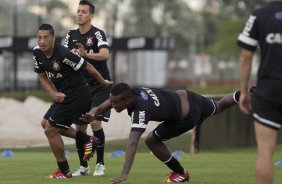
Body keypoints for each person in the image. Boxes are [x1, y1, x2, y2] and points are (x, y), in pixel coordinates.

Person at [82, 82, 242, 183]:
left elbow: (132, 141)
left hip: (185, 118)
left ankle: (180, 173)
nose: (114, 105)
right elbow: (103, 106)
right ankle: (243, 94)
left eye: (117, 103)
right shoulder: (131, 91)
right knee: (219, 106)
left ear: (128, 101)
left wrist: (124, 173)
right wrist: (93, 114)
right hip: (189, 97)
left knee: (151, 140)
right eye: (113, 101)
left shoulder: (141, 109)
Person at [33, 23, 111, 179]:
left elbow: (88, 66)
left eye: (46, 37)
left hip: (78, 95)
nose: (42, 41)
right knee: (45, 123)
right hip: (63, 95)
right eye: (39, 37)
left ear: (53, 38)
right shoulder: (37, 53)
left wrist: (102, 82)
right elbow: (42, 75)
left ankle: (64, 171)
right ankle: (88, 140)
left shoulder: (64, 54)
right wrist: (53, 93)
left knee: (50, 130)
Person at [64, 0, 111, 176]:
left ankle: (100, 164)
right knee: (80, 128)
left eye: (84, 12)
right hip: (81, 88)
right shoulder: (71, 34)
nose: (79, 14)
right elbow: (65, 56)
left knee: (95, 122)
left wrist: (86, 55)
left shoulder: (98, 34)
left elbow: (105, 55)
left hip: (101, 85)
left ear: (91, 16)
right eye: (78, 11)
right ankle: (84, 167)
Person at [237, 1, 282, 183]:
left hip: (268, 91)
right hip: (268, 91)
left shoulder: (258, 15)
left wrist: (243, 91)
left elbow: (246, 55)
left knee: (265, 152)